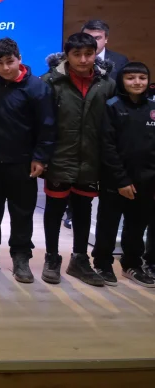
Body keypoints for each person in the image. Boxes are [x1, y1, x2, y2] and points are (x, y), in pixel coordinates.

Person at [0, 38, 55, 284]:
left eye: (10, 61)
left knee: (22, 212)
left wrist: (40, 157)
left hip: (23, 163)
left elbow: (47, 126)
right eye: (0, 63)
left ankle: (21, 258)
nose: (6, 68)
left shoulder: (37, 87)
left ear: (19, 58)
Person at [40, 32, 115, 287]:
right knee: (54, 209)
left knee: (83, 210)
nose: (83, 60)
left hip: (92, 160)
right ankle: (52, 258)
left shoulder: (107, 84)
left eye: (89, 54)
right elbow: (41, 123)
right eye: (77, 54)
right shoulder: (50, 82)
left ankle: (80, 260)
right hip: (59, 158)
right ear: (67, 55)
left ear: (96, 54)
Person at [92, 62, 155, 288]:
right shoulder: (112, 106)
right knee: (108, 224)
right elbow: (107, 146)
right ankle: (102, 263)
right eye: (131, 78)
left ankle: (132, 264)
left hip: (146, 181)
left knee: (137, 226)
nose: (137, 82)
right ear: (122, 81)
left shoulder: (153, 107)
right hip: (116, 180)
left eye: (142, 78)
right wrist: (121, 179)